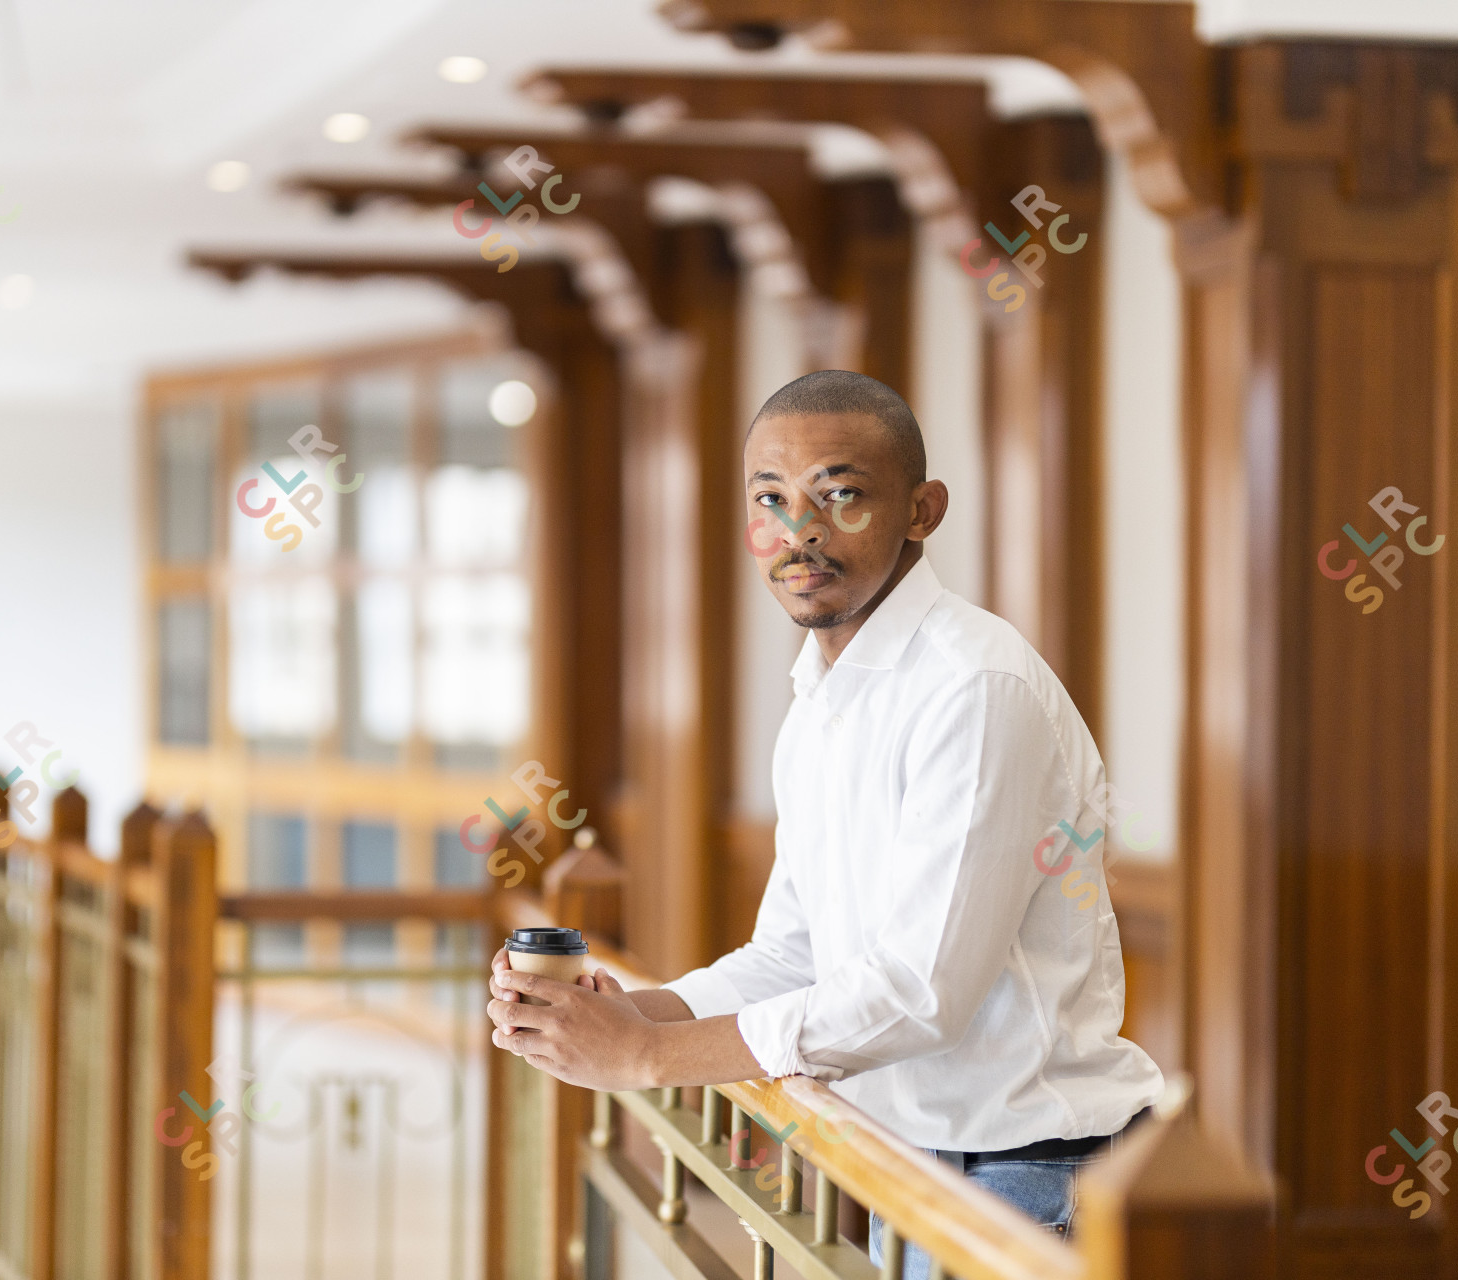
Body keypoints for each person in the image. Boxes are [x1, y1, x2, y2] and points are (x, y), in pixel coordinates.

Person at [484, 369, 1163, 1276]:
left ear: (923, 510)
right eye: (773, 497)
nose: (799, 530)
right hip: (904, 1163)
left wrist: (650, 1057)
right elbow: (795, 953)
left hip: (1030, 1179)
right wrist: (633, 1013)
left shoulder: (975, 687)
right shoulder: (819, 699)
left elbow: (922, 989)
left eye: (841, 495)